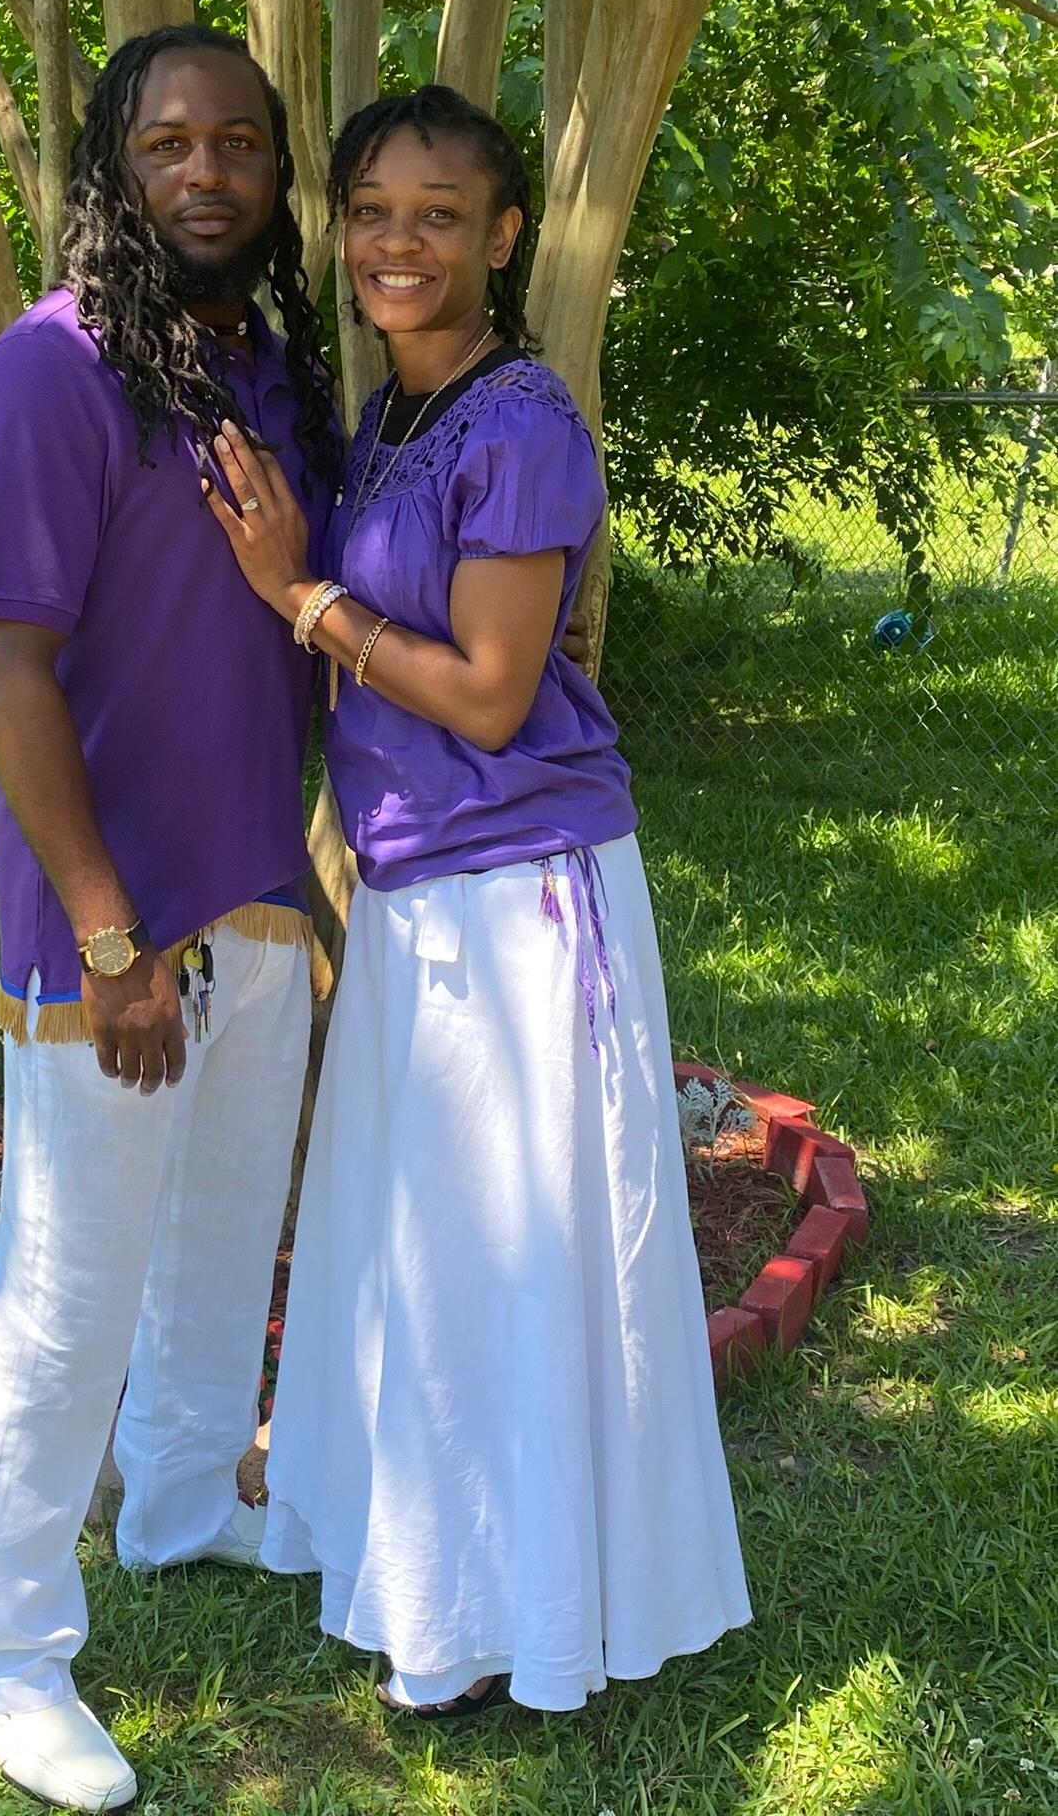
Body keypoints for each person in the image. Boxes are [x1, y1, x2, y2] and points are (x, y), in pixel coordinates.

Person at [204, 83, 751, 1718]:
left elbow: (497, 697)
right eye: (372, 212)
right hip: (417, 885)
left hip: (520, 897)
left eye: (437, 215)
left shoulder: (519, 422)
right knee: (422, 1248)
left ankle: (509, 1617)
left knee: (503, 1261)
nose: (399, 242)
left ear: (503, 236)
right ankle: (425, 1568)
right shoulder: (393, 413)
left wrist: (302, 596)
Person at [0, 24, 340, 1813]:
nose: (206, 172)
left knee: (223, 1246)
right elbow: (3, 665)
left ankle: (179, 1506)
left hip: (257, 897)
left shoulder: (266, 367)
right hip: (111, 933)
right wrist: (108, 936)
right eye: (168, 143)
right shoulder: (52, 368)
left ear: (276, 170)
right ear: (115, 165)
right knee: (70, 1291)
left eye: (238, 142)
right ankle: (4, 1644)